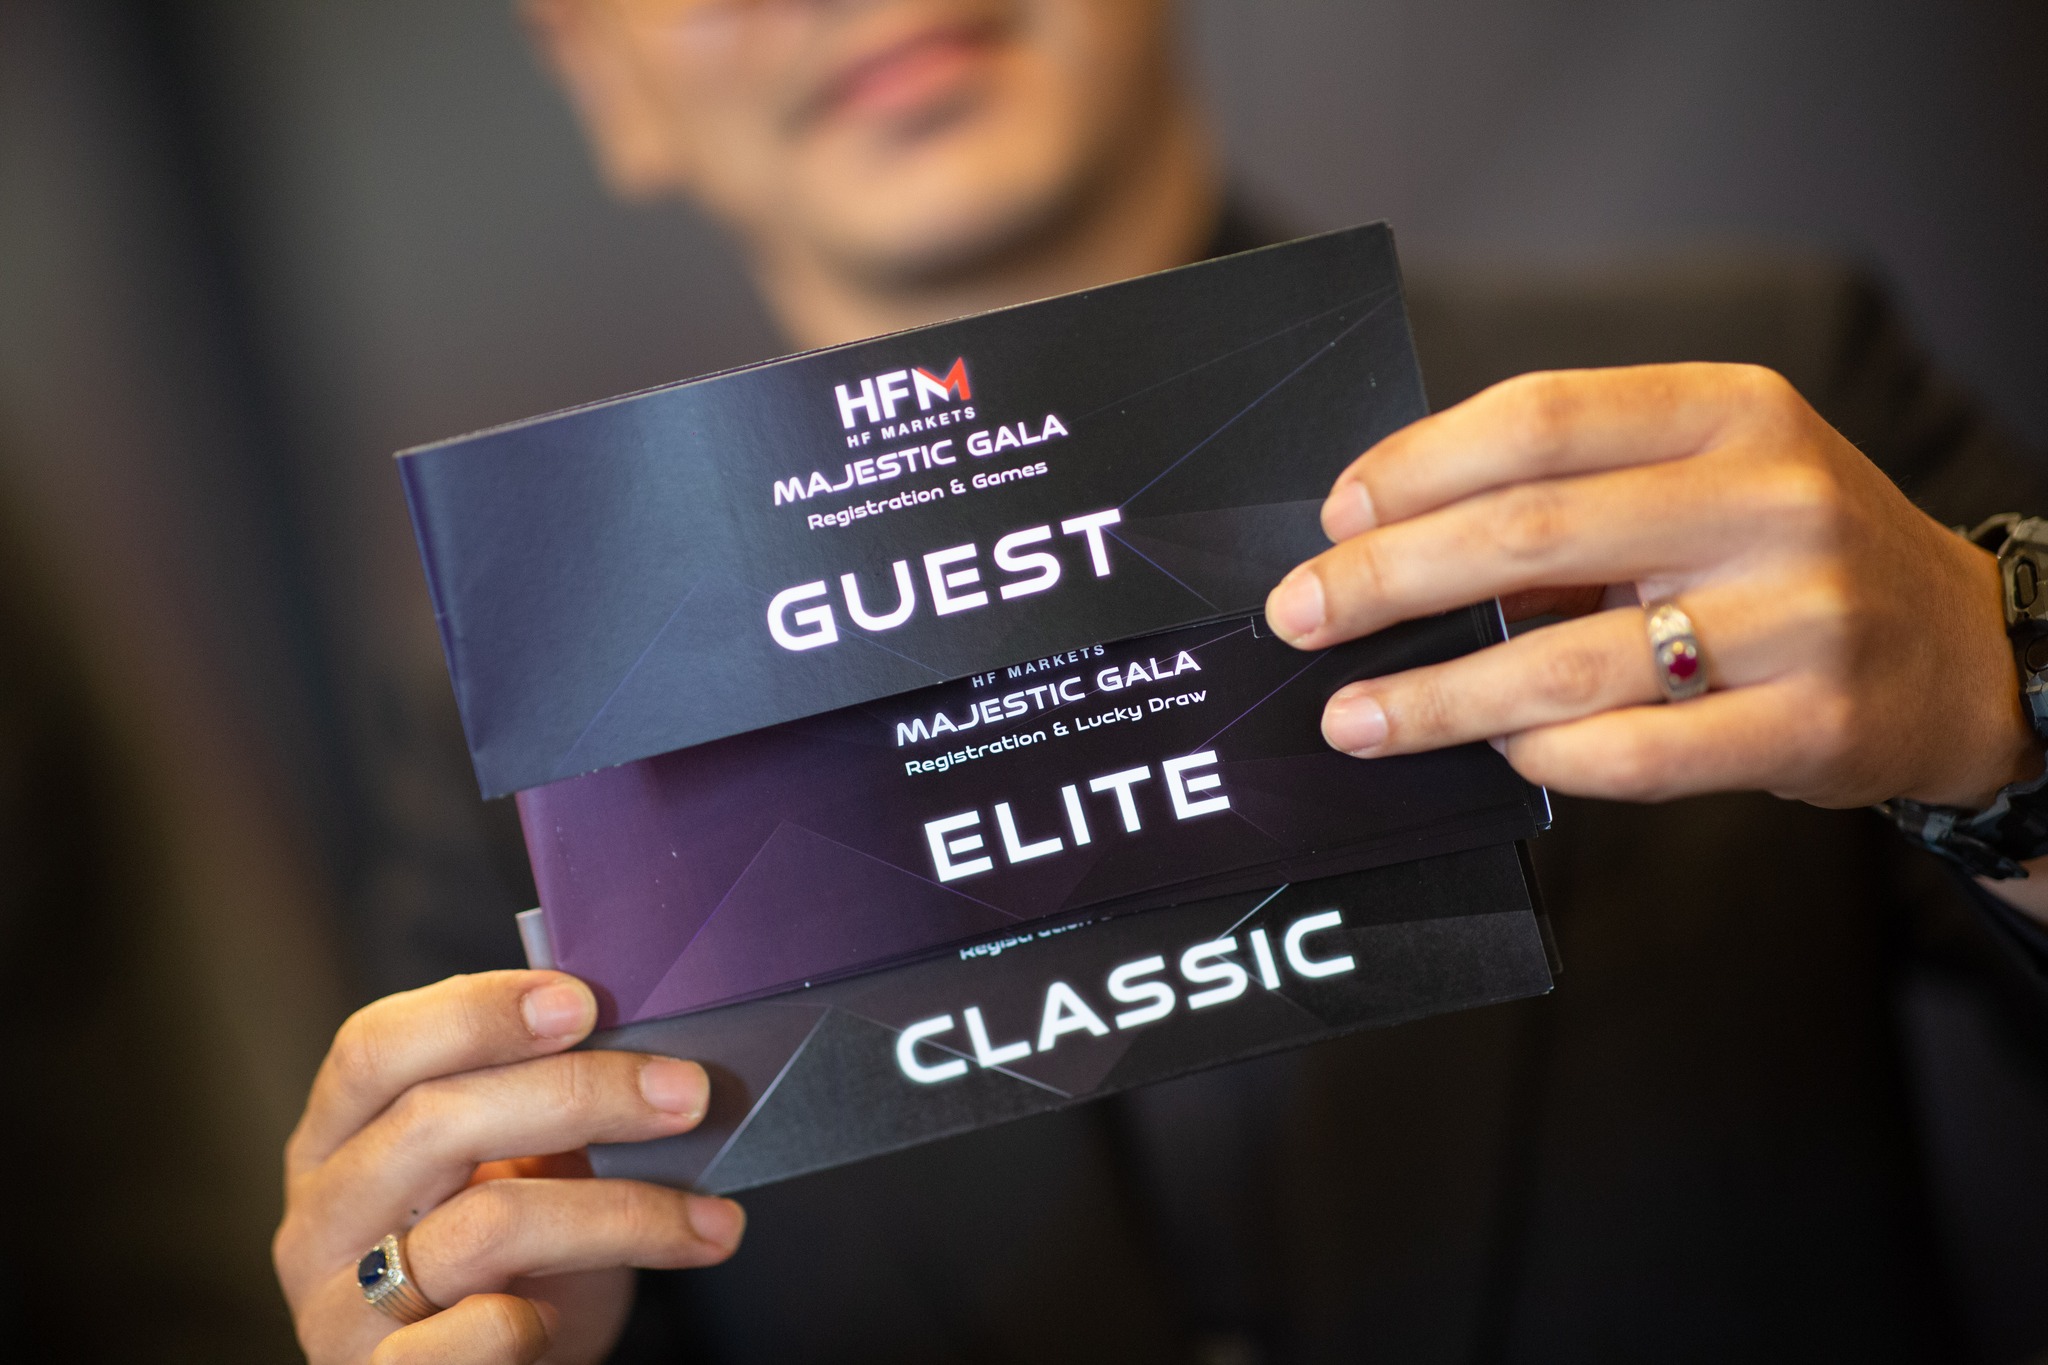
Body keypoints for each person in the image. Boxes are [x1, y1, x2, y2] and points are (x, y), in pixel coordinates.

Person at [275, 2, 2048, 1361]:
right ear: (602, 73)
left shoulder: (1755, 425)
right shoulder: (530, 756)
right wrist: (436, 1316)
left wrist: (2005, 701)